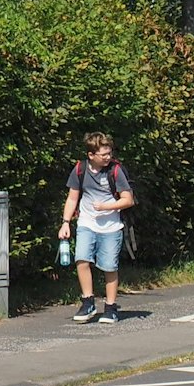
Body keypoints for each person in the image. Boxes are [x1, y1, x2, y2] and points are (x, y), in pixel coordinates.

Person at [62, 132, 136, 325]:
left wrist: (107, 207)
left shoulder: (116, 170)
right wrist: (65, 223)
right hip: (87, 223)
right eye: (103, 154)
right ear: (91, 155)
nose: (107, 157)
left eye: (109, 153)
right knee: (82, 259)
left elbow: (128, 200)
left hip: (111, 227)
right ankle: (88, 302)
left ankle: (110, 308)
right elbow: (72, 198)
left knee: (109, 267)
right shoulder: (80, 169)